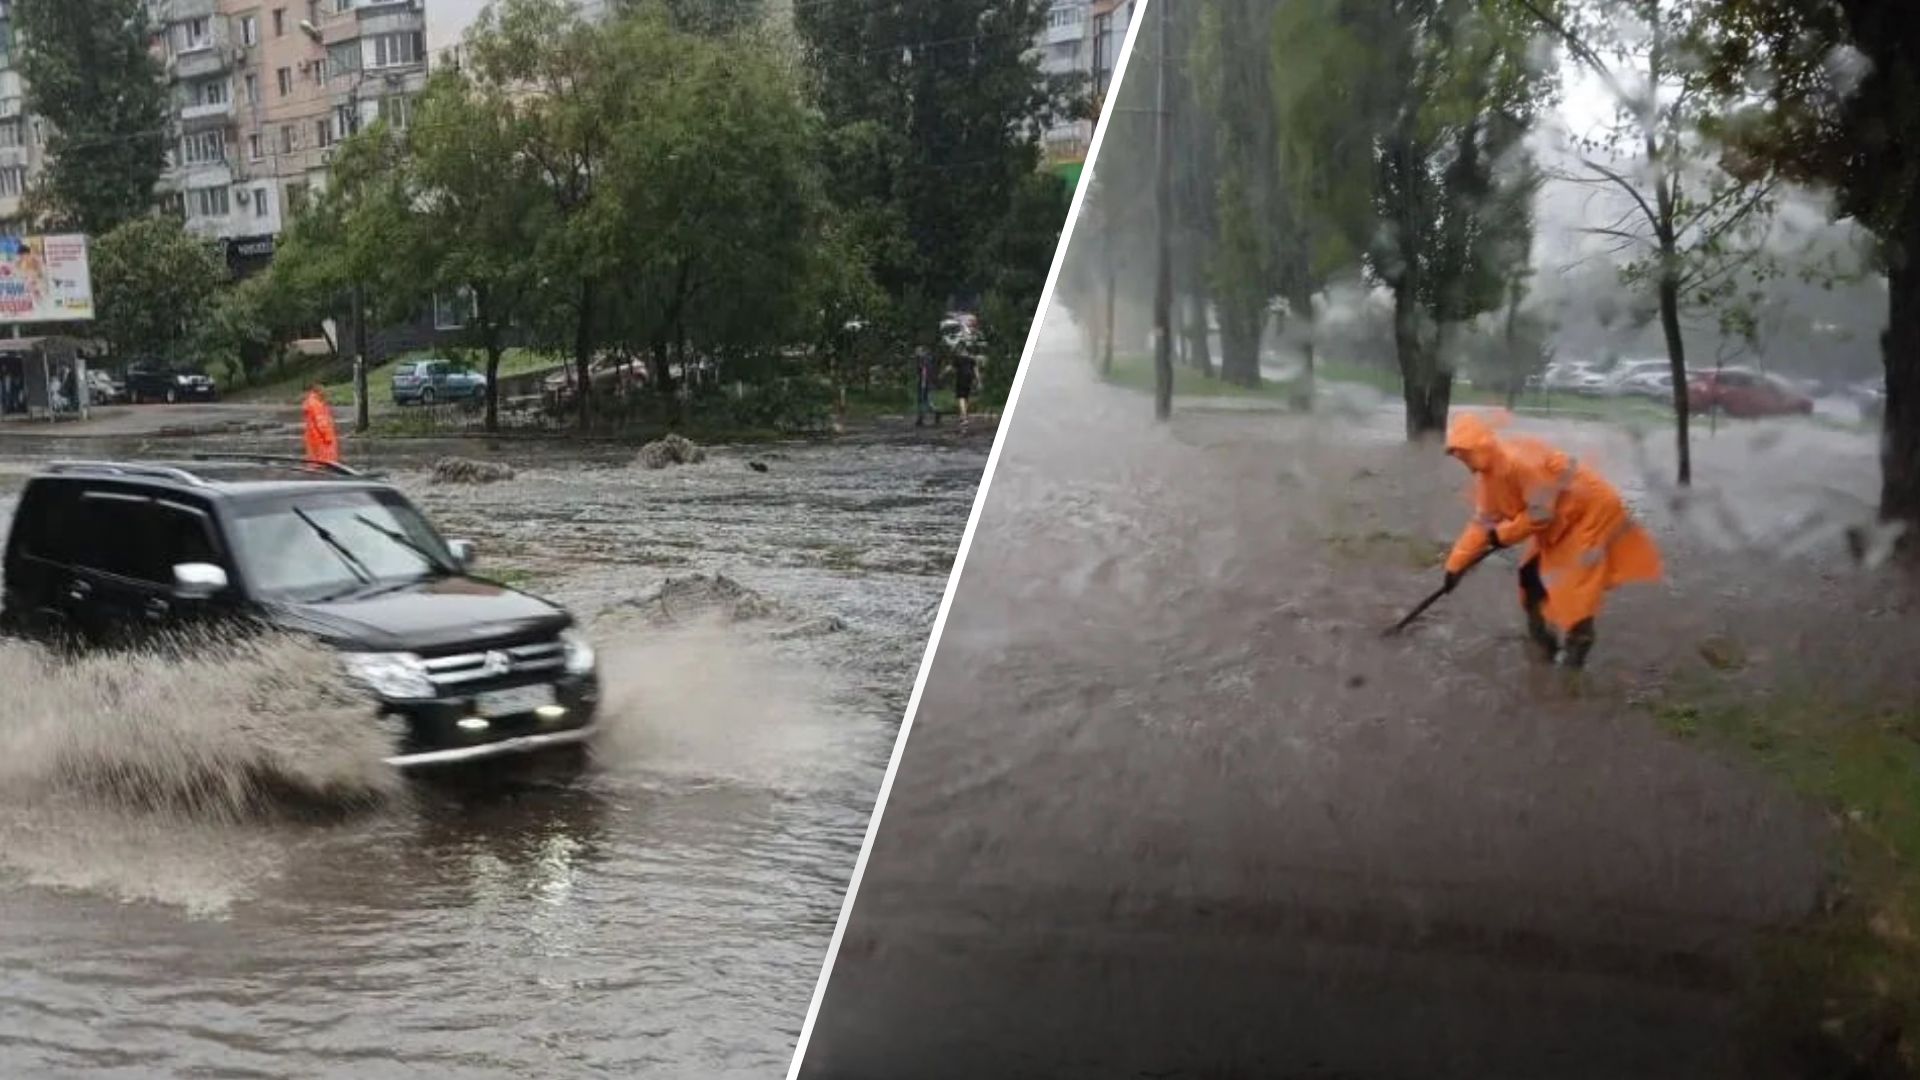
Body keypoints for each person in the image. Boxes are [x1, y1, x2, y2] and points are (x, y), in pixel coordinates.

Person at [1440, 412, 1661, 669]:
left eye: (1463, 453)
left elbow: (1540, 514)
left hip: (1588, 515)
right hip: (1557, 524)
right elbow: (1483, 523)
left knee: (1574, 589)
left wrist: (1502, 535)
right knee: (1531, 581)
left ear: (1480, 446)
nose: (1461, 459)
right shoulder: (1489, 477)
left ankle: (1576, 654)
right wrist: (1456, 565)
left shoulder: (1521, 464)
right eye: (1458, 454)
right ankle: (1543, 646)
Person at [303, 382, 340, 465]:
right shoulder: (316, 404)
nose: (325, 393)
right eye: (324, 390)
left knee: (315, 461)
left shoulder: (311, 402)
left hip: (313, 438)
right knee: (326, 462)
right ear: (319, 391)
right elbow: (322, 422)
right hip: (322, 439)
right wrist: (328, 437)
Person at [952, 350, 977, 432]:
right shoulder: (971, 360)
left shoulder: (958, 359)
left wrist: (943, 374)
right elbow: (976, 371)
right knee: (967, 397)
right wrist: (978, 380)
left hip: (960, 380)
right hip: (969, 379)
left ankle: (964, 417)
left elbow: (952, 369)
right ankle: (963, 415)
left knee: (961, 398)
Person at [914, 346, 937, 428]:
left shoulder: (922, 359)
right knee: (926, 400)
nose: (916, 353)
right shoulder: (929, 359)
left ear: (921, 351)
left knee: (922, 400)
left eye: (917, 351)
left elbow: (924, 371)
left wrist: (923, 382)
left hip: (924, 382)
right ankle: (936, 413)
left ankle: (920, 419)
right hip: (929, 382)